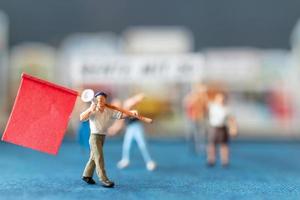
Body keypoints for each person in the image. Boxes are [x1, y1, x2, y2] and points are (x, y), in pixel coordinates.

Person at [80, 91, 135, 188]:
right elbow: (81, 117)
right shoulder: (93, 110)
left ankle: (86, 175)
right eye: (99, 99)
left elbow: (120, 115)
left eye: (102, 99)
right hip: (94, 137)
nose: (100, 101)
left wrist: (130, 114)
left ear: (105, 100)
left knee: (94, 157)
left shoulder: (108, 111)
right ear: (96, 100)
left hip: (102, 137)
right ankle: (104, 179)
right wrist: (90, 110)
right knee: (99, 157)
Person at [109, 94, 156, 171]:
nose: (114, 106)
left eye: (115, 104)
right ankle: (125, 160)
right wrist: (113, 130)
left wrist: (138, 98)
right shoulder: (120, 112)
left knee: (142, 144)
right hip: (130, 128)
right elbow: (119, 124)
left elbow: (133, 101)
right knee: (126, 145)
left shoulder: (126, 104)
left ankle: (150, 161)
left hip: (137, 127)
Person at [206, 92, 237, 167]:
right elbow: (203, 99)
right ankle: (211, 160)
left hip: (223, 127)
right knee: (212, 144)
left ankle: (225, 161)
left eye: (222, 98)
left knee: (224, 145)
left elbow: (231, 119)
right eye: (219, 98)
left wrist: (234, 128)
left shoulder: (227, 108)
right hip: (213, 127)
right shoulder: (211, 106)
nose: (221, 100)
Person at [183, 84, 208, 154]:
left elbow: (205, 108)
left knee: (201, 133)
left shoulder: (203, 98)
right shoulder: (191, 97)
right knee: (193, 133)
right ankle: (194, 146)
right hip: (193, 118)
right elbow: (187, 106)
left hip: (201, 118)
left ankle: (200, 147)